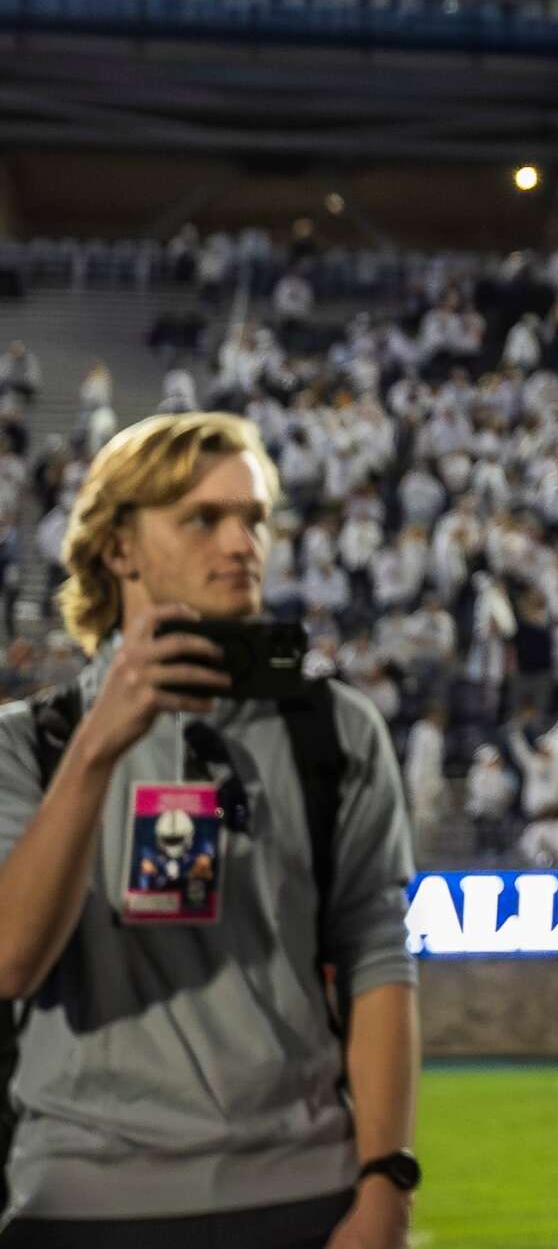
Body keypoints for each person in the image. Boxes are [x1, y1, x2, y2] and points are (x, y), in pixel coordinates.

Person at [0, 413, 422, 1249]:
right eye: (203, 519)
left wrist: (386, 1184)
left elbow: (377, 954)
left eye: (254, 518)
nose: (242, 543)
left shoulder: (334, 732)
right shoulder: (29, 745)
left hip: (303, 1190)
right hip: (83, 1202)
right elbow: (9, 959)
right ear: (119, 549)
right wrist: (98, 750)